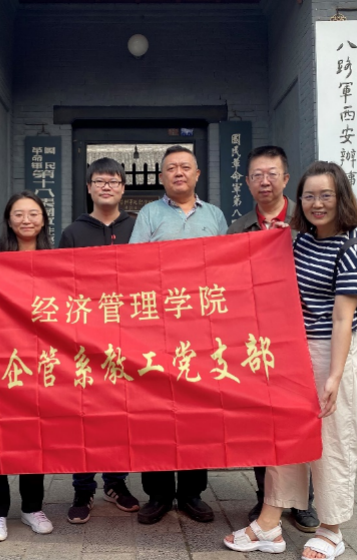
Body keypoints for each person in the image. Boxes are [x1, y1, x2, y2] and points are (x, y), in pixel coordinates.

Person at [223, 162, 357, 559]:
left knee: (333, 439)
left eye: (326, 195)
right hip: (293, 351)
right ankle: (270, 523)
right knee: (285, 436)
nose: (317, 204)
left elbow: (342, 318)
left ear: (342, 199)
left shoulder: (352, 249)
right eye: (309, 196)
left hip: (333, 350)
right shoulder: (301, 242)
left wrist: (334, 376)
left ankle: (331, 529)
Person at [130, 145, 228, 526]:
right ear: (161, 177)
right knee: (155, 411)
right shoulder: (149, 215)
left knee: (195, 411)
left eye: (185, 167)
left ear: (198, 174)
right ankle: (157, 493)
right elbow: (134, 266)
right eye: (171, 168)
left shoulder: (214, 215)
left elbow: (228, 265)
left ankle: (191, 492)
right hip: (158, 327)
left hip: (201, 329)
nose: (178, 173)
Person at [226, 146, 319, 533]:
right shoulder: (238, 229)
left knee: (301, 418)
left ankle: (304, 501)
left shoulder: (308, 221)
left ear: (285, 178)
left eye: (272, 174)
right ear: (248, 182)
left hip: (302, 336)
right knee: (261, 422)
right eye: (257, 175)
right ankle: (267, 498)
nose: (264, 182)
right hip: (255, 340)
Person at [59, 157, 142, 524]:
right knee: (84, 415)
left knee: (122, 414)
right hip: (85, 340)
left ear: (123, 188)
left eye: (114, 181)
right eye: (100, 181)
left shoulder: (138, 228)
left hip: (130, 338)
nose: (107, 186)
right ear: (89, 187)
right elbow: (61, 284)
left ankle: (116, 481)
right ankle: (82, 487)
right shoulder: (73, 233)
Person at [0, 191, 54, 543]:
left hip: (44, 361)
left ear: (44, 219)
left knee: (34, 435)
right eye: (19, 214)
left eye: (33, 213)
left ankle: (32, 507)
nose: (27, 220)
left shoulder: (57, 260)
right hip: (1, 359)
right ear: (9, 220)